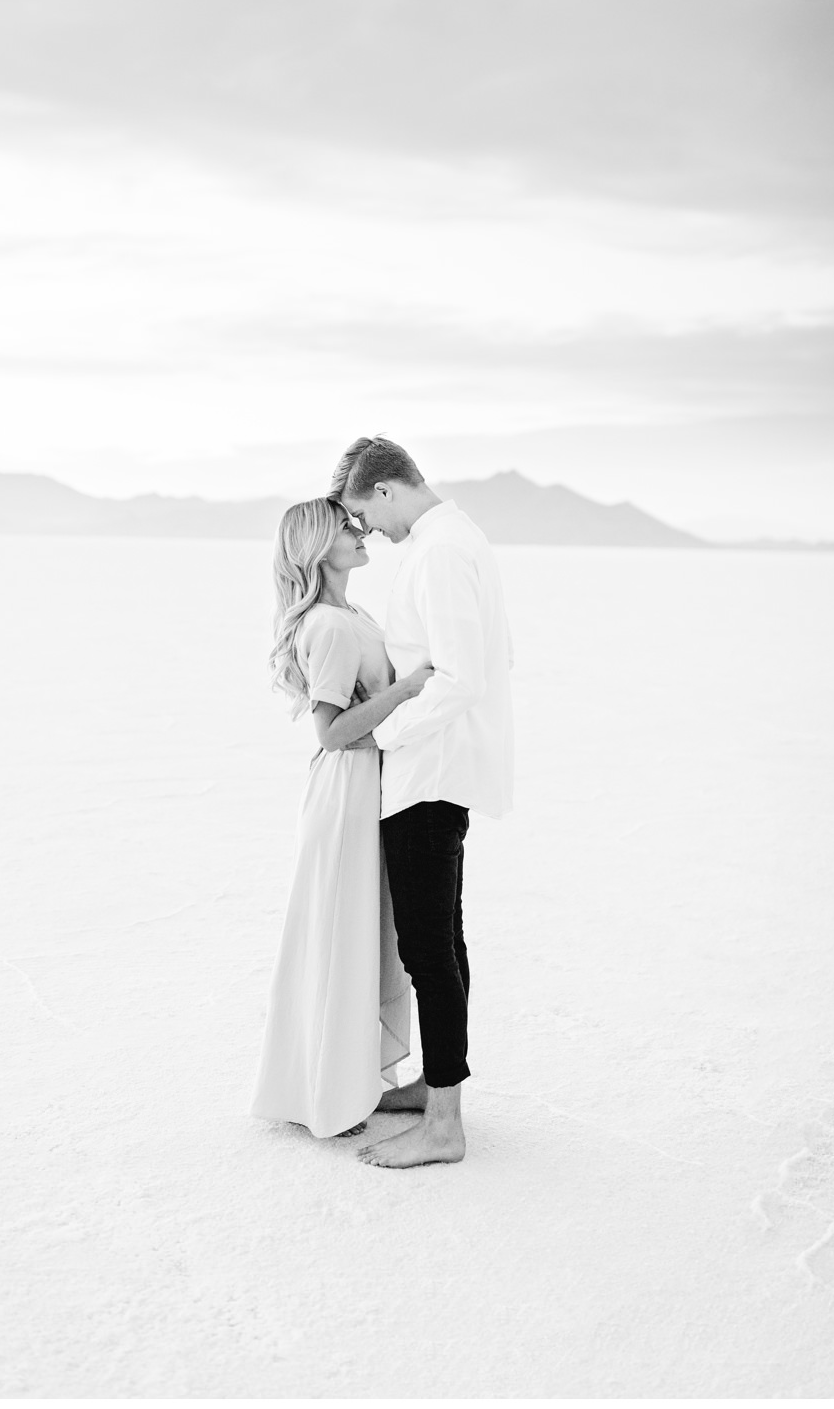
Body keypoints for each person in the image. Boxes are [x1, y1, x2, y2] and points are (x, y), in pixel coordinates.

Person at [333, 437, 514, 1170]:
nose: (368, 532)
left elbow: (462, 674)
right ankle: (435, 1088)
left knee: (427, 951)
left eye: (363, 516)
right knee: (442, 943)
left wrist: (385, 733)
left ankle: (445, 1124)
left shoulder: (439, 551)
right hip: (438, 764)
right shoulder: (453, 537)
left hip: (429, 770)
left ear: (385, 490)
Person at [250, 498, 432, 1140]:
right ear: (319, 545)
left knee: (355, 935)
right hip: (346, 792)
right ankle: (324, 1093)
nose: (362, 534)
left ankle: (339, 1080)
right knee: (338, 935)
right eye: (347, 528)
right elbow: (330, 733)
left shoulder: (351, 613)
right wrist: (405, 690)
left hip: (365, 789)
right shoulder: (328, 626)